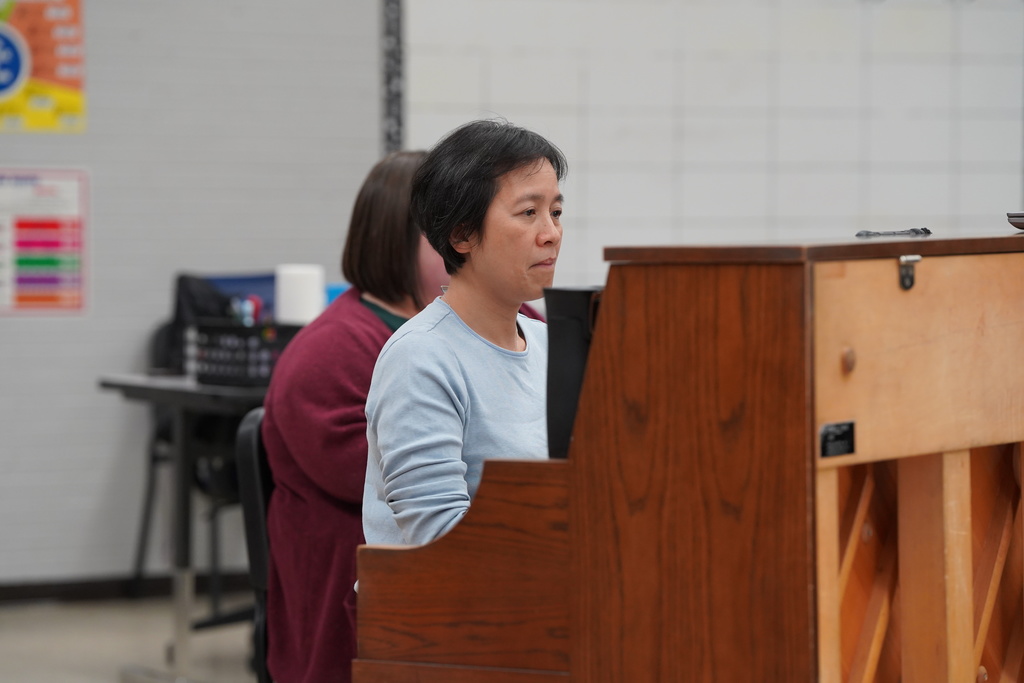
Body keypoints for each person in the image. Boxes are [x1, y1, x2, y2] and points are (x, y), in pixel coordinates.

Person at [260, 150, 447, 683]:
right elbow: (400, 485)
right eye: (449, 231)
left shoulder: (511, 319)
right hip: (360, 620)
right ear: (396, 238)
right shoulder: (331, 351)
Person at [363, 119, 567, 547]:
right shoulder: (421, 357)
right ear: (462, 234)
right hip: (455, 604)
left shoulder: (551, 344)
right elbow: (439, 539)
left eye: (556, 212)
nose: (551, 234)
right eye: (529, 213)